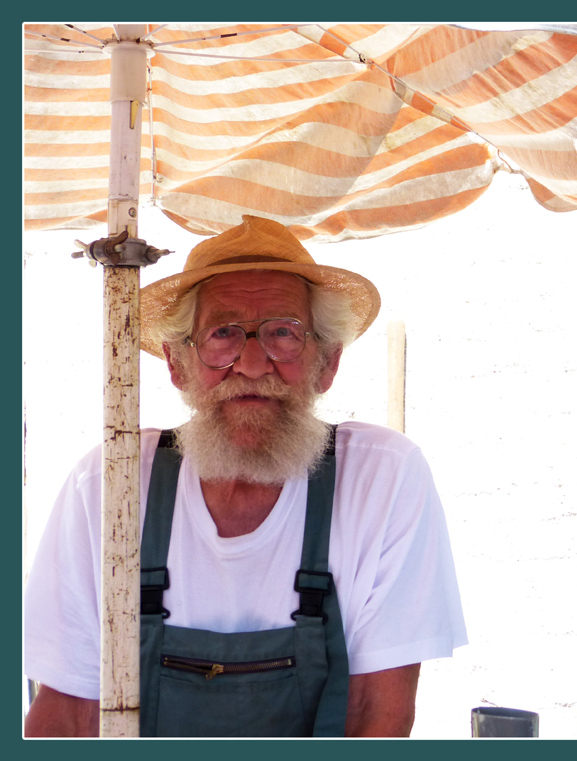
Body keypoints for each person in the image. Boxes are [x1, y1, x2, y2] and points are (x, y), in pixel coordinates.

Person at [23, 215, 467, 737]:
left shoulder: (382, 478)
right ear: (177, 364)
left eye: (284, 333)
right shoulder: (111, 483)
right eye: (223, 333)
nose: (253, 363)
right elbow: (68, 715)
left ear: (327, 364)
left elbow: (378, 714)